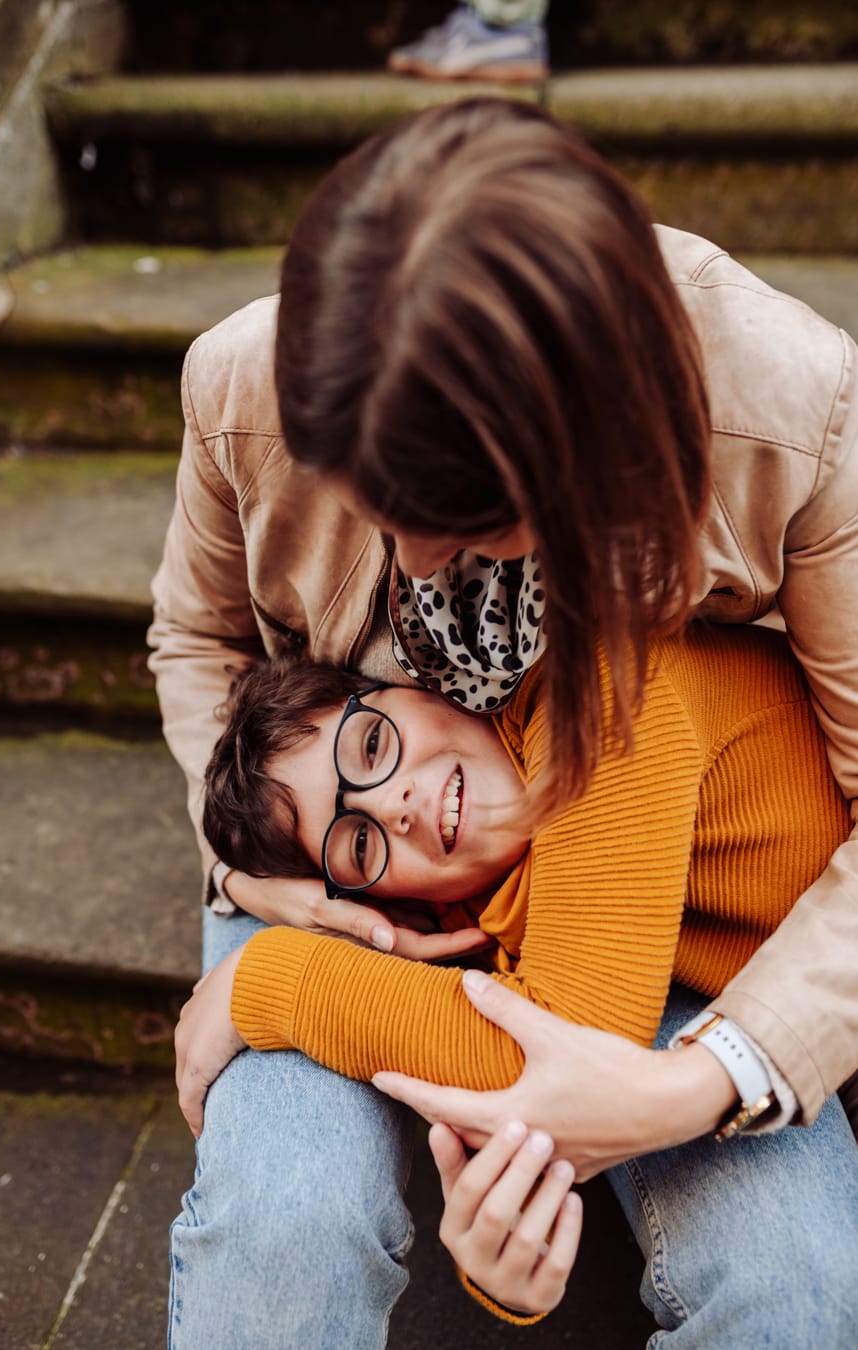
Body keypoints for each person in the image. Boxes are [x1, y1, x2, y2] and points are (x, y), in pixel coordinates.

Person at [152, 99, 858, 1347]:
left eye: (471, 526)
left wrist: (695, 1081)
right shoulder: (241, 382)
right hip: (335, 870)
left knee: (790, 1279)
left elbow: (561, 1046)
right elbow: (197, 641)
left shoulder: (792, 415)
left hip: (650, 911)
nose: (420, 562)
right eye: (379, 505)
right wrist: (260, 882)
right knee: (280, 1222)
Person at [185, 623, 855, 1318]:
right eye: (359, 842)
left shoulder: (597, 693)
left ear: (415, 690)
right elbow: (533, 1113)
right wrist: (500, 1271)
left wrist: (266, 978)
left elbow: (544, 1049)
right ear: (387, 900)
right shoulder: (474, 908)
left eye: (373, 744)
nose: (392, 806)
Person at [387, 4, 549, 83]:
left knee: (400, 59)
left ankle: (485, 32)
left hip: (491, 25)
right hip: (528, 30)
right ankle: (521, 38)